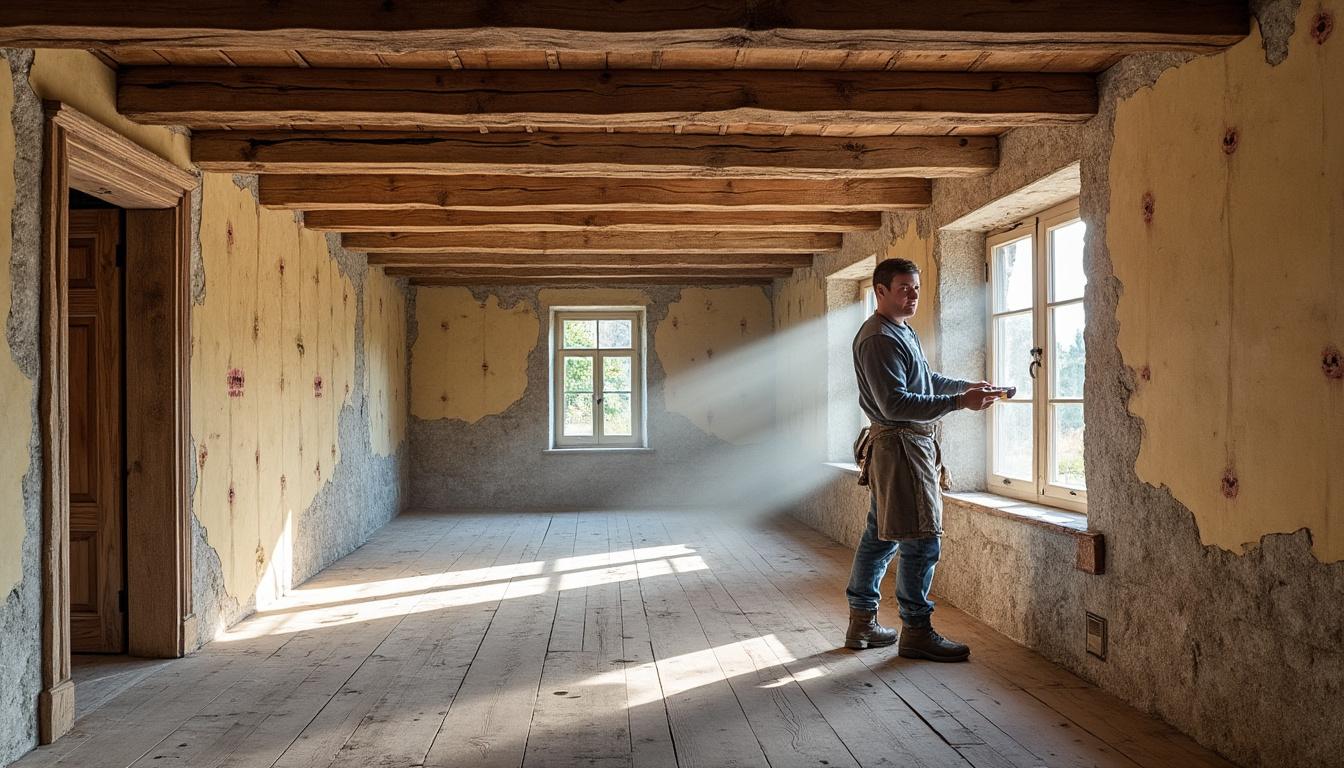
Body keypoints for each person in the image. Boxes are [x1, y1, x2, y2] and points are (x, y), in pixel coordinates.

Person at [845, 257, 999, 662]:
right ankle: (916, 629)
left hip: (905, 447)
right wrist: (958, 403)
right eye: (903, 288)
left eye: (915, 287)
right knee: (922, 539)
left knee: (881, 536)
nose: (913, 295)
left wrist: (968, 388)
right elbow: (894, 403)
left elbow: (924, 381)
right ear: (880, 291)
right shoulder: (878, 337)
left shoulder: (901, 331)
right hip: (901, 449)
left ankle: (862, 623)